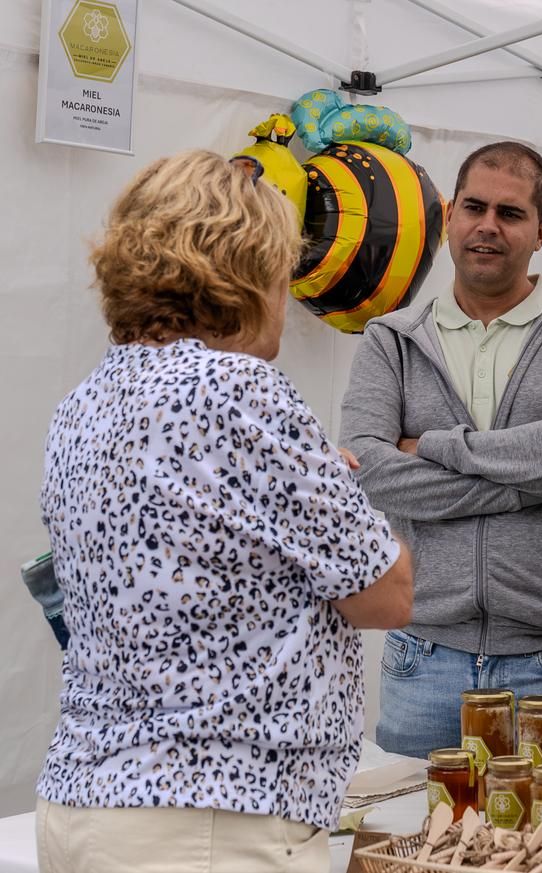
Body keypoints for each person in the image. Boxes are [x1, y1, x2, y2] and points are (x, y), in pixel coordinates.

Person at [35, 150, 414, 873]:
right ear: (244, 269)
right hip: (208, 819)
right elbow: (386, 593)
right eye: (282, 269)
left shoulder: (83, 404)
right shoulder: (239, 389)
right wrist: (344, 496)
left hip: (90, 799)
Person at [341, 141, 542, 765]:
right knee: (411, 851)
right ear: (449, 216)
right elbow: (368, 471)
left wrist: (435, 448)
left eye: (511, 213)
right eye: (474, 207)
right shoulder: (391, 339)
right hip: (424, 661)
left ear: (541, 231)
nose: (488, 226)